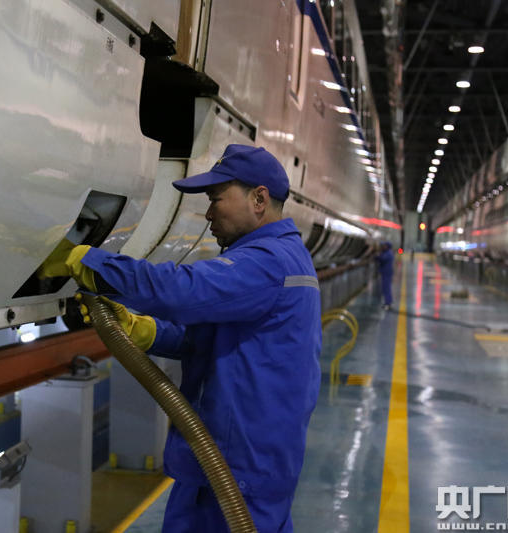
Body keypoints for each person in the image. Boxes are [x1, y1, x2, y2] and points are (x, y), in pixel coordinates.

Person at [38, 144, 321, 532]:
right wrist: (145, 330)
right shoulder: (280, 256)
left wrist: (87, 262)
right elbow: (213, 338)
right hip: (229, 465)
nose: (209, 214)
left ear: (258, 199)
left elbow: (182, 290)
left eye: (216, 199)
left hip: (237, 473)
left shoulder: (269, 261)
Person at [377, 241, 394, 310]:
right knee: (386, 288)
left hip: (386, 273)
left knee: (386, 288)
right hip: (386, 272)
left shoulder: (388, 253)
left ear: (387, 246)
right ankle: (388, 302)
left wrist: (376, 256)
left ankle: (388, 304)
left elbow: (382, 259)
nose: (383, 247)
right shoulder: (387, 252)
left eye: (384, 246)